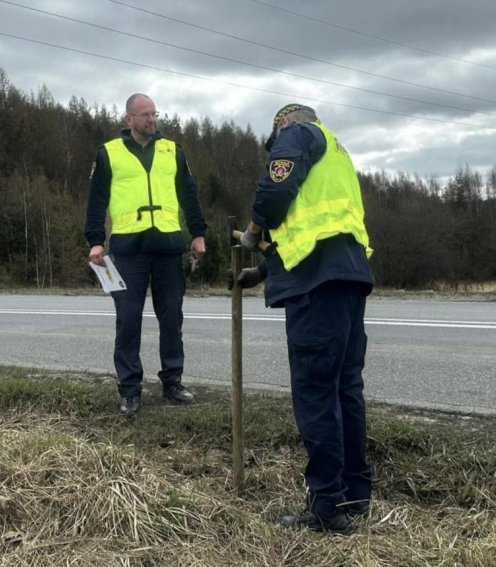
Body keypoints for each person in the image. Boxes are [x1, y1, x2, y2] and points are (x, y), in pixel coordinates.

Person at [238, 103, 374, 535]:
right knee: (345, 389)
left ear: (282, 122)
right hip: (348, 275)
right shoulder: (336, 150)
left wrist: (253, 232)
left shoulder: (296, 134)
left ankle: (326, 506)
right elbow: (313, 227)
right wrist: (261, 271)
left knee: (316, 394)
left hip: (317, 286)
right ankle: (354, 495)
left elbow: (275, 197)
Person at [84, 93, 207, 416]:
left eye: (155, 114)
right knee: (128, 320)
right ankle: (129, 390)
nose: (152, 120)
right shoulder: (108, 154)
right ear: (129, 120)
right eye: (145, 115)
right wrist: (96, 240)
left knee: (171, 317)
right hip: (128, 250)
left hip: (168, 247)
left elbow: (189, 195)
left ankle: (173, 381)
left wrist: (198, 234)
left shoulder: (173, 151)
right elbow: (95, 202)